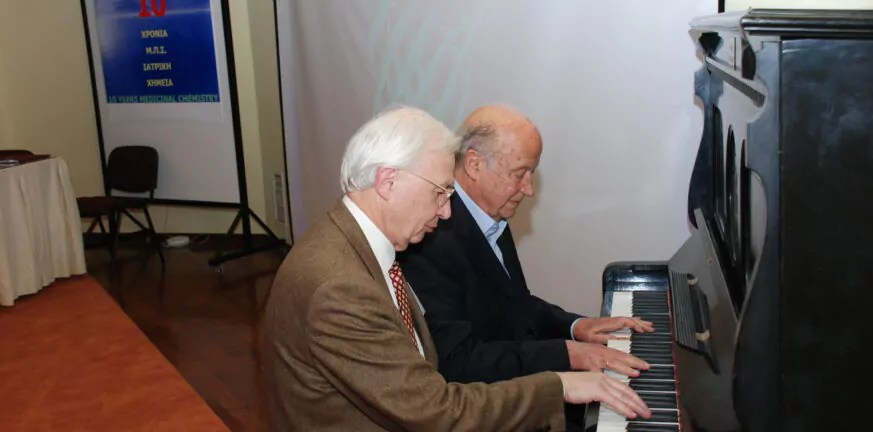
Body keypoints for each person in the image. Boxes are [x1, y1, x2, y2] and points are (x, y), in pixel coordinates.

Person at [261, 106, 650, 431]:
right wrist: (561, 385)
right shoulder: (340, 287)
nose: (447, 211)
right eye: (440, 192)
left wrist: (571, 339)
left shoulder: (358, 244)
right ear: (388, 182)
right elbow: (435, 410)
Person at [399, 104, 656, 385]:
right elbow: (456, 361)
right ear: (474, 164)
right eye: (519, 173)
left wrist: (575, 326)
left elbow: (514, 306)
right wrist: (568, 353)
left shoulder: (489, 211)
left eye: (531, 173)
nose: (528, 189)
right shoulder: (431, 236)